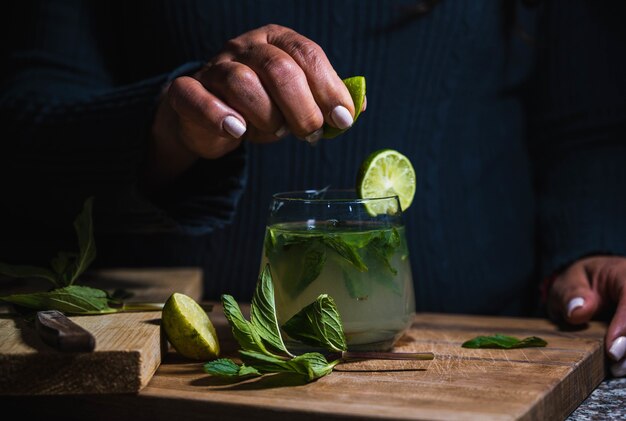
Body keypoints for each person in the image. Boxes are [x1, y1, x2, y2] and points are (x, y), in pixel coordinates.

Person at [1, 0, 625, 377]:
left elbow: (587, 127)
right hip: (198, 374)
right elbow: (22, 124)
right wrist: (166, 127)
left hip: (487, 369)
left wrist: (593, 242)